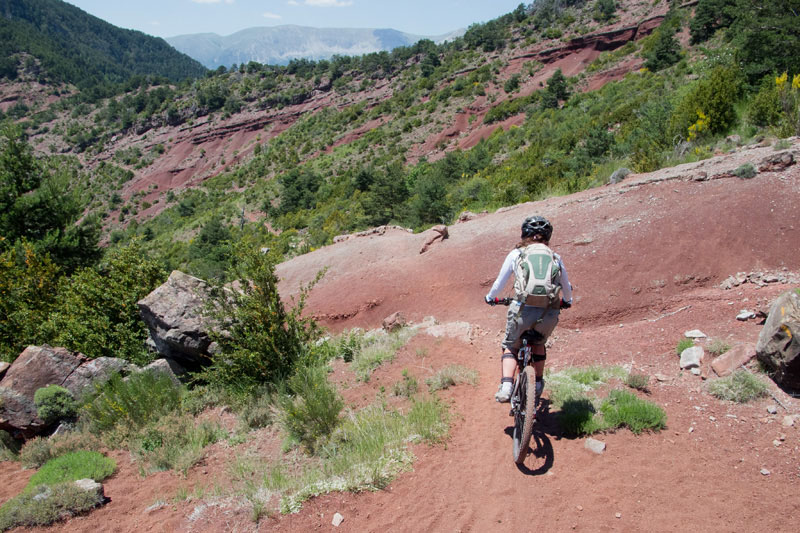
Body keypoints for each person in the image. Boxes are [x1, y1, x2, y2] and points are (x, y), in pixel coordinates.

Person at [485, 215, 573, 403]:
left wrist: (491, 298)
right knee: (539, 343)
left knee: (510, 346)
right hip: (548, 313)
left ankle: (507, 386)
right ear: (547, 236)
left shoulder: (517, 254)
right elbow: (566, 286)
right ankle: (538, 383)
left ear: (525, 234)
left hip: (522, 310)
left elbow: (499, 283)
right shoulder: (555, 257)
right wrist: (567, 301)